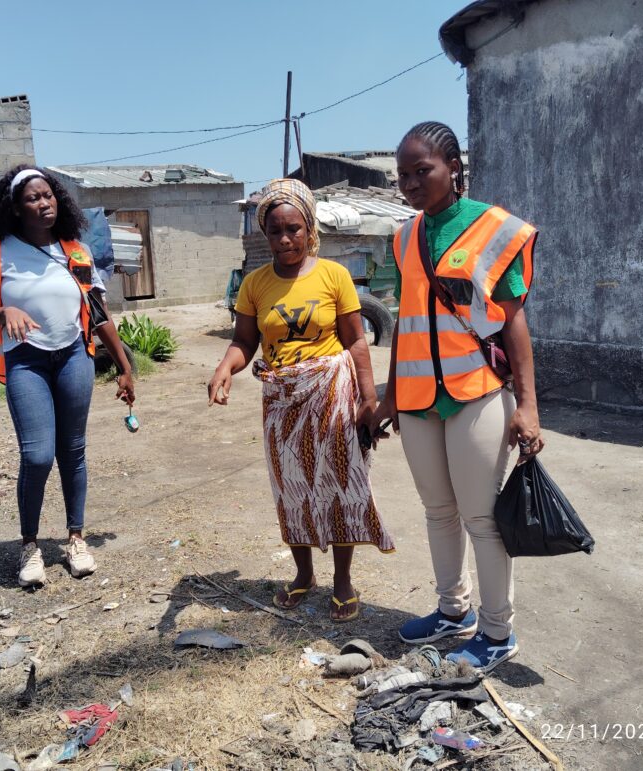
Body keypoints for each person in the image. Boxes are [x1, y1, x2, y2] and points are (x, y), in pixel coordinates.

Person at [370, 122, 543, 671]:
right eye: (402, 175)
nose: (410, 184)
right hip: (419, 399)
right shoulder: (404, 238)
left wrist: (528, 406)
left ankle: (497, 632)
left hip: (476, 393)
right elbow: (406, 322)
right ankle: (452, 611)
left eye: (422, 171)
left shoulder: (492, 229)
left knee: (481, 518)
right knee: (438, 512)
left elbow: (513, 322)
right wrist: (391, 398)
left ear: (453, 168)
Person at [208, 179, 393, 622]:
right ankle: (304, 574)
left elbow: (357, 341)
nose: (285, 239)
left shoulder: (334, 276)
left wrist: (369, 399)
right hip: (281, 401)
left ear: (310, 229)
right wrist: (224, 368)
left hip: (332, 394)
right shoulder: (254, 284)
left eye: (293, 229)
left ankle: (343, 580)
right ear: (265, 234)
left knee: (341, 484)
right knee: (290, 486)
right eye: (275, 231)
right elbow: (244, 342)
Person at [0, 166, 136, 588]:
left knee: (73, 451)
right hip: (26, 362)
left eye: (48, 195)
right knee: (38, 455)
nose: (44, 203)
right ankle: (29, 545)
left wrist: (124, 365)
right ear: (15, 207)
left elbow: (98, 312)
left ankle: (76, 538)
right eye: (33, 198)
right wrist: (4, 312)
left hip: (74, 357)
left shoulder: (75, 252)